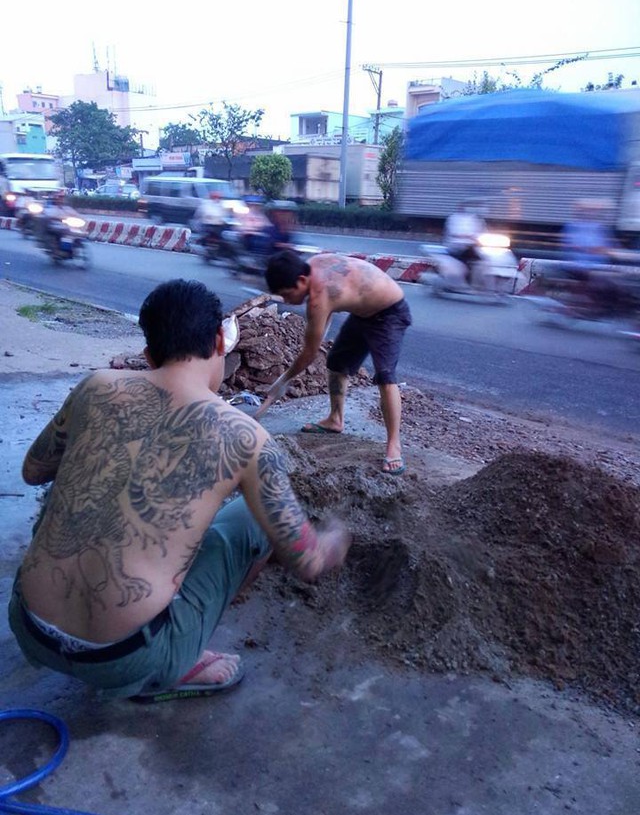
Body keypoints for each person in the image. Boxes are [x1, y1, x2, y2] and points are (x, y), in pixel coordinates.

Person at [8, 279, 350, 702]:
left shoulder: (96, 386)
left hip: (29, 629)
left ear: (148, 354)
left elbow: (33, 471)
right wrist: (336, 537)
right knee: (247, 519)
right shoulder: (248, 439)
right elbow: (308, 561)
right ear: (219, 344)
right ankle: (179, 659)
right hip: (123, 660)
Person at [255, 251, 412, 476]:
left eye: (287, 295)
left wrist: (282, 382)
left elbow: (309, 353)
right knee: (337, 362)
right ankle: (335, 420)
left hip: (389, 313)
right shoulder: (311, 266)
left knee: (385, 375)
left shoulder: (319, 297)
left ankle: (393, 445)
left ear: (300, 281)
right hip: (363, 313)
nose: (287, 302)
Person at [443, 200, 487, 283]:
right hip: (456, 245)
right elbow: (454, 233)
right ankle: (465, 281)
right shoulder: (454, 218)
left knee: (484, 258)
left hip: (471, 246)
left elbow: (481, 231)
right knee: (466, 261)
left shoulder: (474, 218)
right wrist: (468, 236)